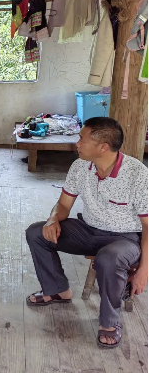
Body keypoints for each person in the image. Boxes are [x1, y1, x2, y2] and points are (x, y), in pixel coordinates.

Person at [25, 117, 148, 349]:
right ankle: (58, 290)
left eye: (82, 139)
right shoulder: (80, 166)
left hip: (125, 238)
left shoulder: (137, 174)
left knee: (109, 258)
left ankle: (110, 322)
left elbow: (147, 226)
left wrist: (144, 270)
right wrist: (53, 219)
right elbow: (63, 204)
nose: (77, 143)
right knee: (37, 233)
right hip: (88, 230)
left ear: (103, 147)